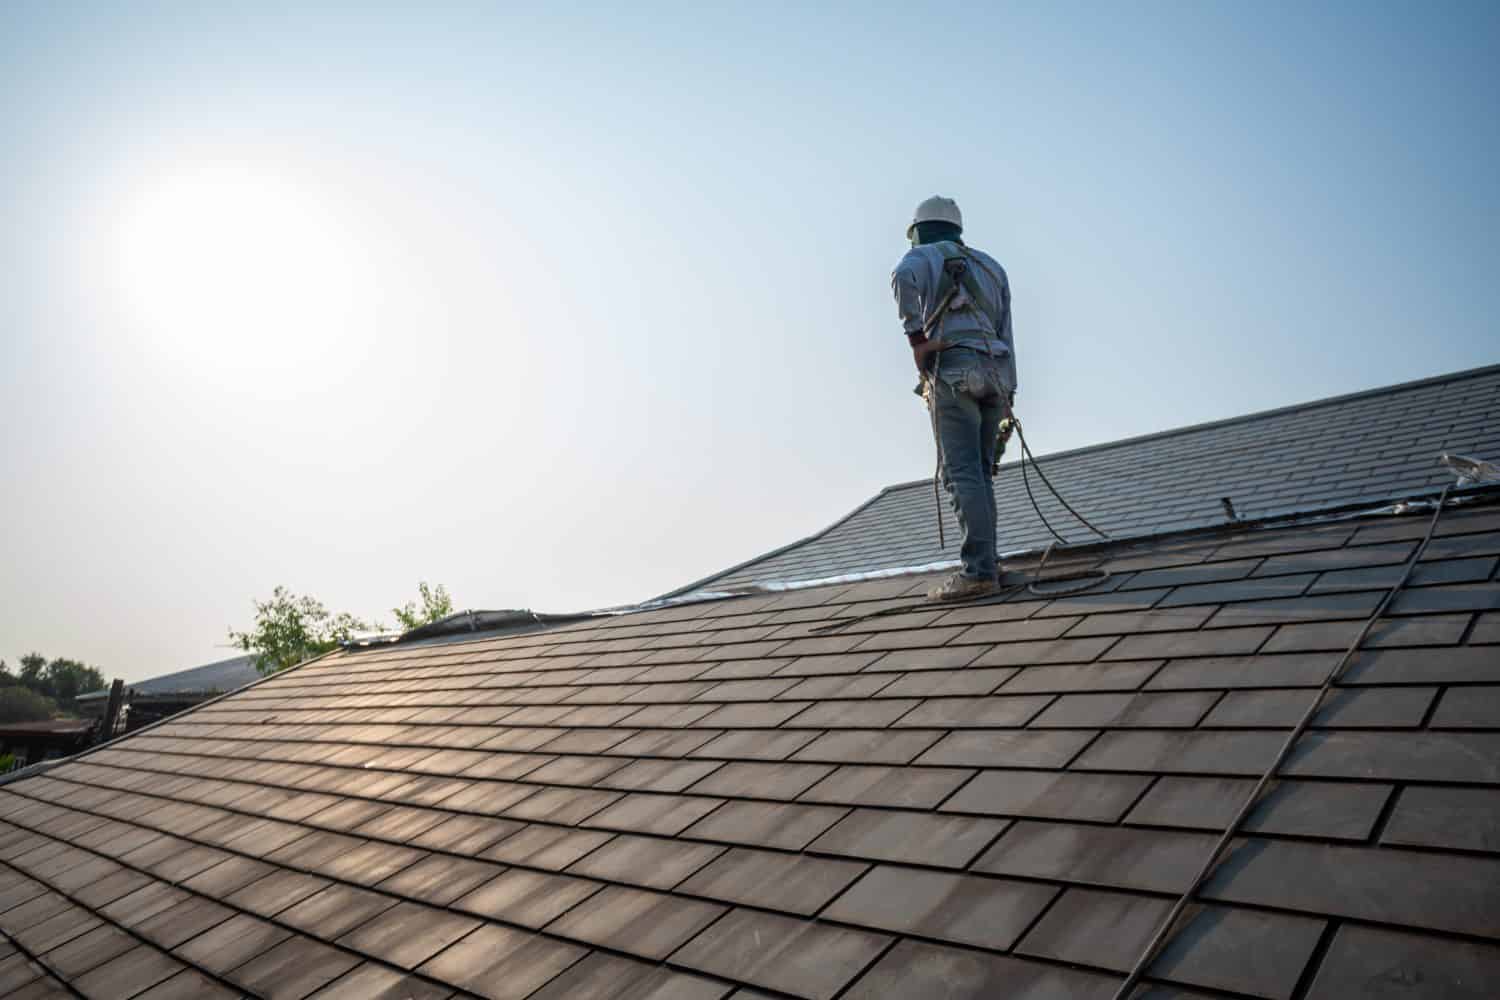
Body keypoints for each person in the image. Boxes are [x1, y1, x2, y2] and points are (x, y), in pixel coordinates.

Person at [892, 196, 1017, 601]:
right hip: (995, 374)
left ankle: (978, 571)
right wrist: (1009, 392)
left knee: (961, 473)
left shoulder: (923, 257)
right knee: (981, 473)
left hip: (955, 370)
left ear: (920, 230)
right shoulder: (992, 267)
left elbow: (902, 275)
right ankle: (990, 564)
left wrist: (917, 341)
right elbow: (1005, 331)